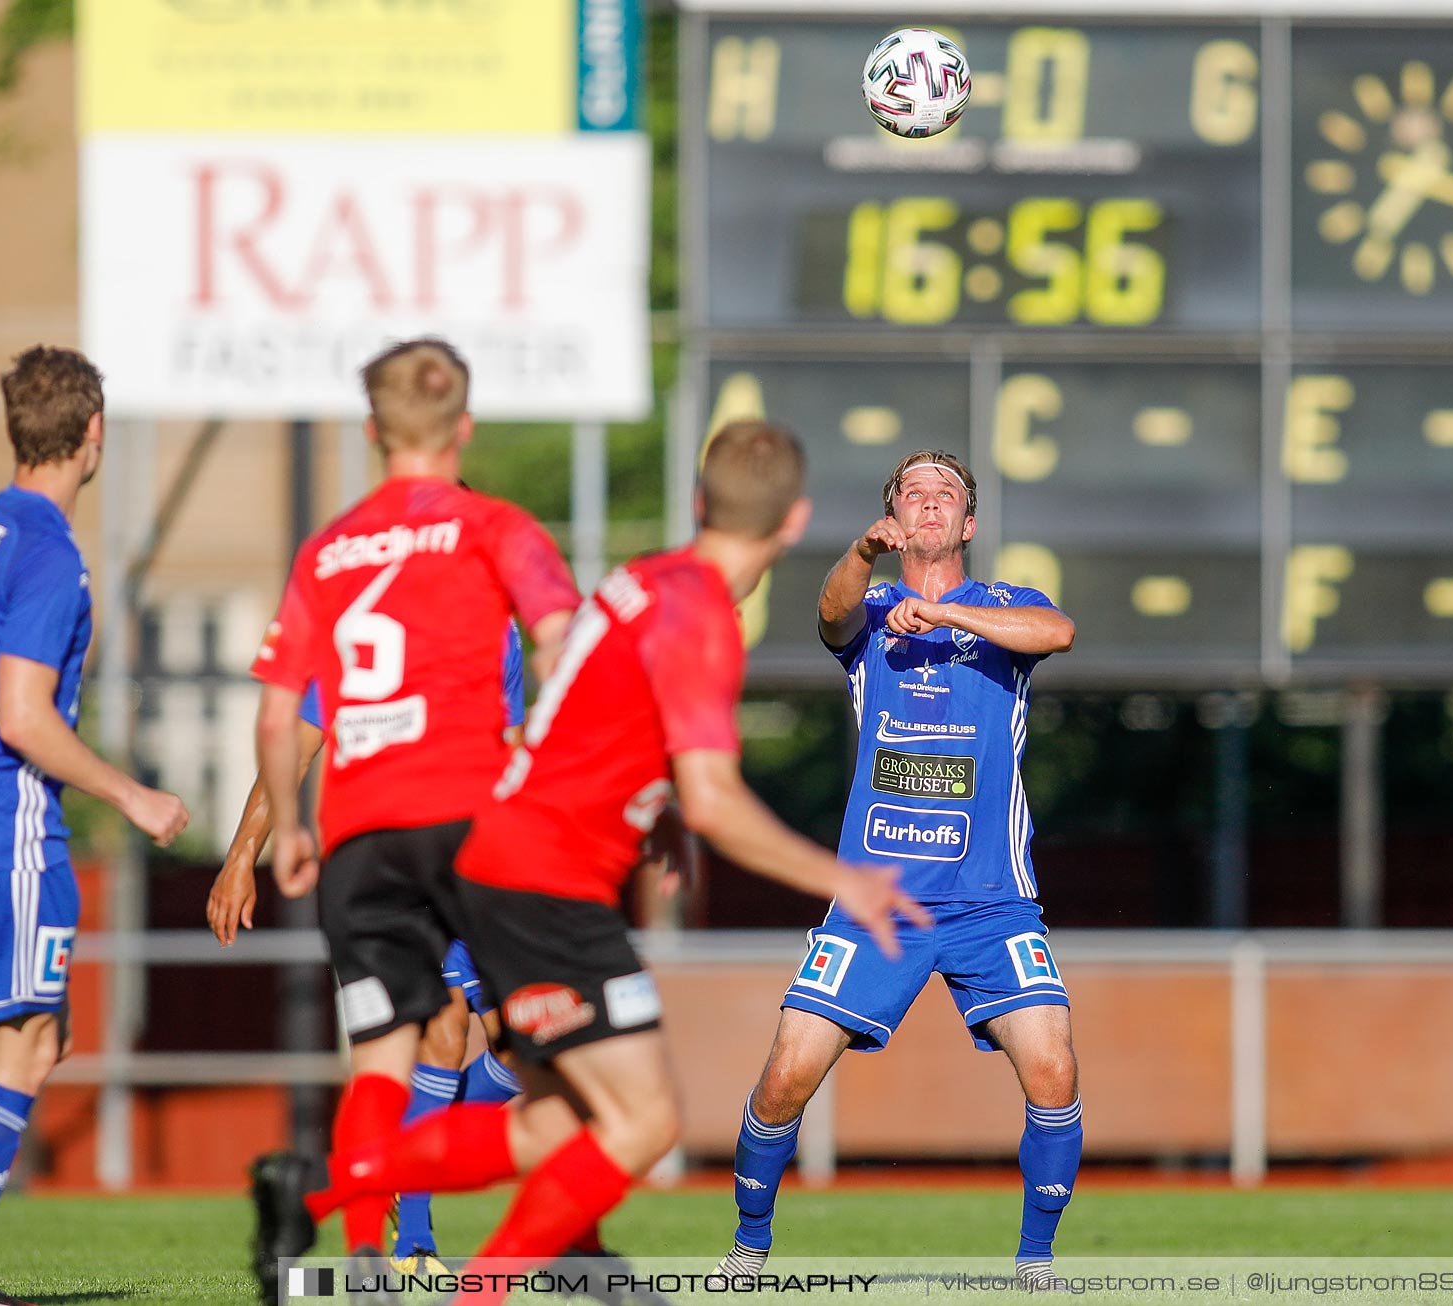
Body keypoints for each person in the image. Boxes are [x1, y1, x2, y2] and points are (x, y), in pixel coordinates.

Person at [297, 420, 928, 1306]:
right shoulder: (706, 614)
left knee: (557, 1122)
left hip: (504, 858)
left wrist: (656, 803)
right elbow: (717, 799)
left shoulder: (639, 578)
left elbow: (578, 709)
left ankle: (323, 1190)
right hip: (545, 882)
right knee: (645, 1121)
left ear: (701, 502)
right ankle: (487, 1288)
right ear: (795, 523)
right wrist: (846, 880)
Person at [248, 338, 579, 1285]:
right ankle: (434, 1235)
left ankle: (355, 1253)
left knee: (386, 1059)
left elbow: (280, 714)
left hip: (360, 837)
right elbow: (560, 649)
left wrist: (290, 826)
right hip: (471, 827)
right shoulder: (498, 528)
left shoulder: (328, 551)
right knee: (573, 1066)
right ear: (462, 426)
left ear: (370, 433)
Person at [716, 449, 1080, 1289]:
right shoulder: (874, 607)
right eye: (911, 492)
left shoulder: (1005, 605)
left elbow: (1057, 633)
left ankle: (1035, 1264)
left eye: (944, 493)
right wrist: (862, 555)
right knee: (783, 1081)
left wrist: (952, 619)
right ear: (893, 515)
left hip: (992, 902)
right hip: (876, 902)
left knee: (1054, 1071)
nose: (927, 503)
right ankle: (749, 1247)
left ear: (968, 524)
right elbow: (831, 615)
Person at [209, 625, 528, 1274]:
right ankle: (410, 1239)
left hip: (484, 863)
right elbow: (295, 743)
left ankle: (355, 1176)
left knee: (525, 1048)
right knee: (438, 1035)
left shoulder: (497, 621)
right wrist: (243, 854)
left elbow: (513, 744)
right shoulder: (357, 614)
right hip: (393, 867)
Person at [0, 347, 189, 1306]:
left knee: (33, 1031)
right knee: (25, 1035)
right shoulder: (49, 550)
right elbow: (23, 717)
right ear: (93, 433)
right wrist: (132, 794)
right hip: (7, 828)